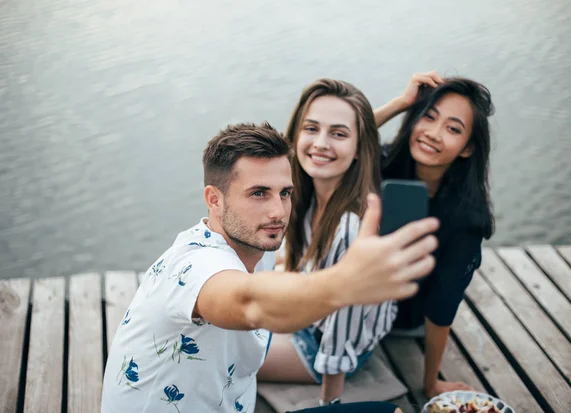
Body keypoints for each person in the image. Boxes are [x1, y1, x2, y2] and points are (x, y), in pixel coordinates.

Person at [100, 122, 440, 413]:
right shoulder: (194, 265)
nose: (278, 211)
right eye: (259, 193)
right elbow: (249, 303)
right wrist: (345, 282)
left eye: (285, 193)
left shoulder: (245, 246)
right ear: (214, 199)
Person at [258, 79, 397, 406]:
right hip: (306, 309)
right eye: (311, 128)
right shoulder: (305, 193)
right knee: (213, 320)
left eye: (338, 133)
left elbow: (340, 334)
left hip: (322, 344)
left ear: (359, 148)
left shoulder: (352, 227)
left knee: (220, 355)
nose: (320, 143)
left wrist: (328, 406)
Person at [375, 72, 495, 398]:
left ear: (468, 148)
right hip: (350, 295)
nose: (433, 133)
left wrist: (431, 383)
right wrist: (401, 103)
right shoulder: (384, 162)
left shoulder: (468, 218)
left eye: (453, 128)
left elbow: (442, 307)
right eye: (428, 117)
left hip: (403, 319)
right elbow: (334, 144)